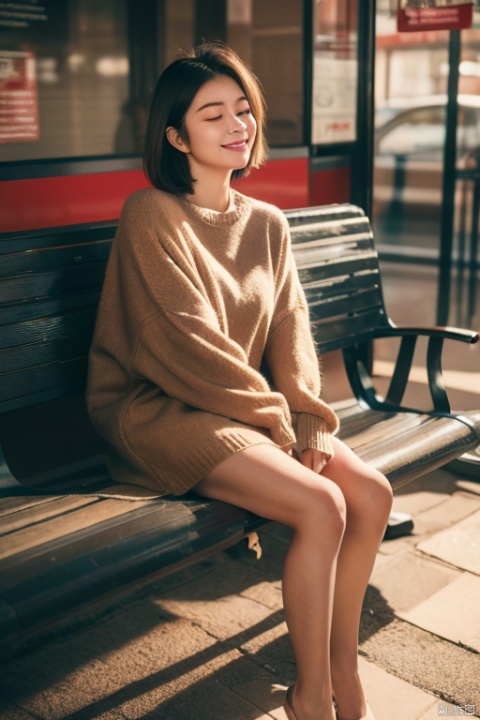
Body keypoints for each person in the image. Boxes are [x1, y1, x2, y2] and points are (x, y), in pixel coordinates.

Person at [87, 42, 393, 720]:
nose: (237, 124)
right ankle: (310, 694)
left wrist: (310, 420)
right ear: (175, 135)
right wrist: (282, 426)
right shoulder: (150, 214)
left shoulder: (268, 222)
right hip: (161, 410)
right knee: (322, 505)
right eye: (212, 114)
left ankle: (343, 666)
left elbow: (291, 330)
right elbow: (184, 349)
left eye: (244, 109)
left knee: (369, 492)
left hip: (241, 409)